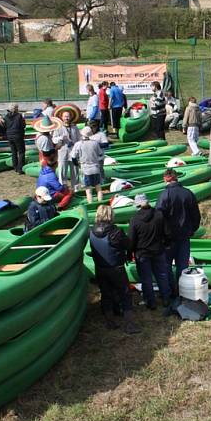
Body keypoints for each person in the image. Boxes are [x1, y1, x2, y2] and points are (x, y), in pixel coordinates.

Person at [89, 204, 141, 333]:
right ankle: (129, 325)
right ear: (110, 215)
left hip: (100, 268)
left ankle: (110, 322)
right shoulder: (115, 232)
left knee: (106, 294)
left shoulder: (91, 231)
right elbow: (128, 245)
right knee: (125, 294)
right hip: (116, 268)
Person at [157, 168, 201, 299]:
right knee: (182, 266)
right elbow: (196, 216)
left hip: (168, 239)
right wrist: (192, 230)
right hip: (184, 237)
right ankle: (182, 292)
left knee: (166, 266)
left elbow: (158, 217)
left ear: (165, 179)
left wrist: (161, 235)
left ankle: (170, 292)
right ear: (176, 178)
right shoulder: (188, 194)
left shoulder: (164, 195)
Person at [129, 194, 172, 310]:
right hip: (158, 251)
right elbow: (167, 233)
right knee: (162, 275)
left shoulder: (134, 220)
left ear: (137, 205)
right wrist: (166, 245)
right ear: (148, 202)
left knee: (146, 279)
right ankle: (166, 298)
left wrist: (129, 254)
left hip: (142, 254)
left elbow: (131, 241)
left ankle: (151, 302)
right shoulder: (159, 215)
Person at [71, 126, 104, 204]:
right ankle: (101, 203)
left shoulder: (78, 144)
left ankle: (90, 204)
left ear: (82, 134)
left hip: (85, 169)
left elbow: (73, 157)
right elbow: (100, 154)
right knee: (98, 188)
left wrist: (77, 164)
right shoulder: (95, 143)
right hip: (95, 167)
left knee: (88, 190)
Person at [52, 110, 80, 188]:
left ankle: (76, 188)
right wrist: (61, 138)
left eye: (68, 116)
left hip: (73, 153)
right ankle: (63, 188)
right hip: (62, 153)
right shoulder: (58, 128)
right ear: (62, 117)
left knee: (75, 171)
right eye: (65, 116)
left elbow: (79, 139)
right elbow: (54, 139)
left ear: (70, 117)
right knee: (62, 171)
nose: (67, 118)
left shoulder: (75, 128)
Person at [4, 104, 26, 174]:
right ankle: (20, 168)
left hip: (9, 135)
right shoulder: (19, 116)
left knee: (14, 152)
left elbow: (5, 126)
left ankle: (15, 167)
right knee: (21, 152)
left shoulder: (6, 116)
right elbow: (23, 125)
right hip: (18, 135)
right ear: (16, 108)